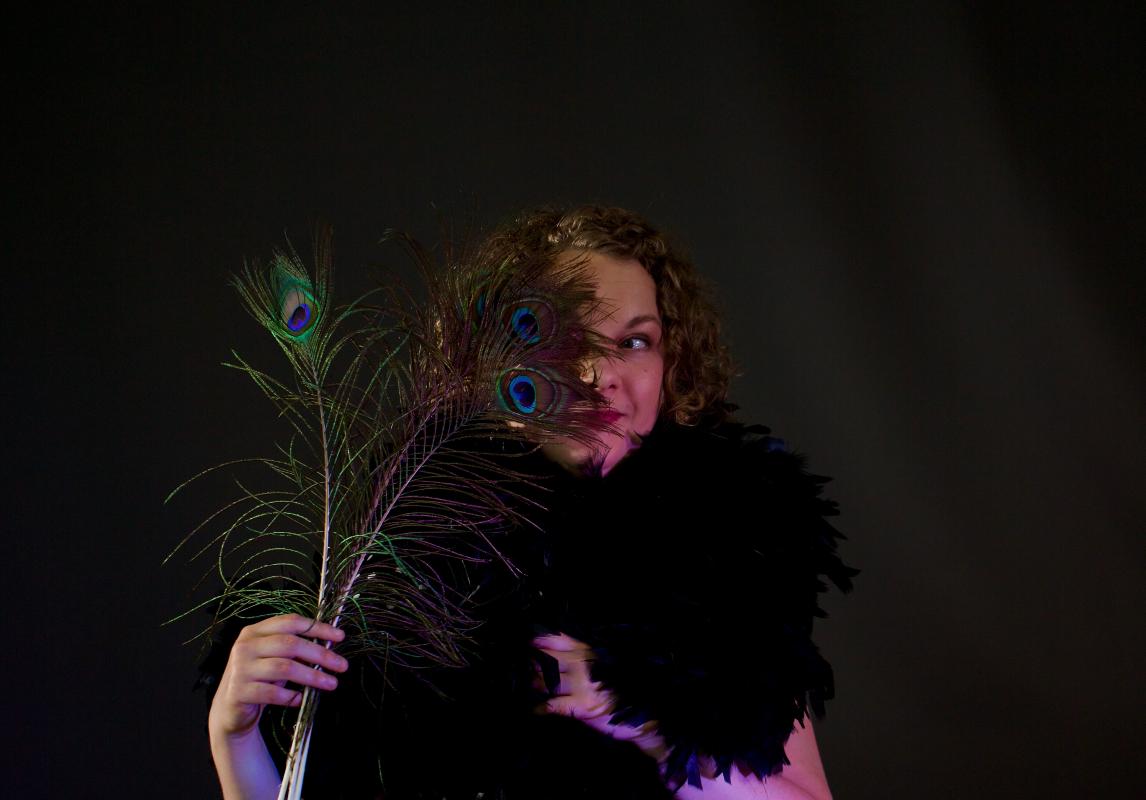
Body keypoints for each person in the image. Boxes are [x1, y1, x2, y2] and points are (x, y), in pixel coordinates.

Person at [206, 205, 853, 799]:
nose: (600, 375)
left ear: (672, 360)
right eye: (565, 340)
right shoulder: (405, 537)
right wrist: (234, 738)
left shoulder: (728, 545)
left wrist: (640, 720)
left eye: (634, 341)